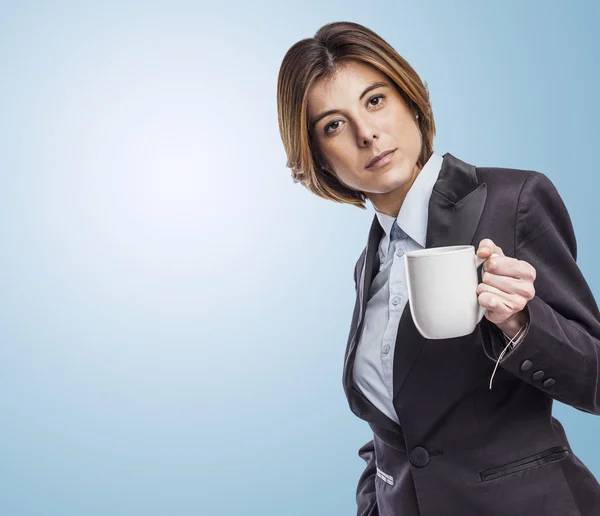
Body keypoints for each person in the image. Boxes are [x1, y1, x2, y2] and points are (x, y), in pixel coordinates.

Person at [276, 21, 600, 516]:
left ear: (409, 98)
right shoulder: (370, 263)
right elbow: (395, 431)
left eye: (376, 100)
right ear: (319, 158)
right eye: (333, 125)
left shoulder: (513, 201)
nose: (367, 134)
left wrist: (522, 325)